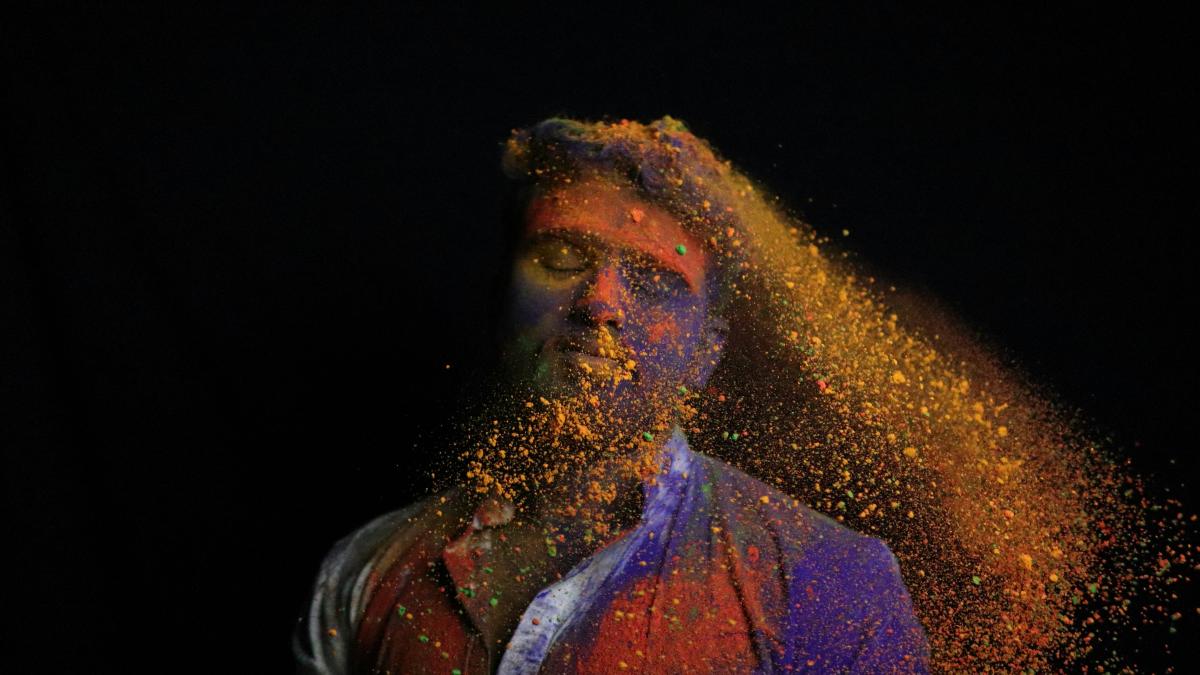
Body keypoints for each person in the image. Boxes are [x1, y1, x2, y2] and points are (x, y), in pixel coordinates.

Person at [294, 116, 930, 674]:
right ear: (497, 301)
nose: (600, 303)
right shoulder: (364, 571)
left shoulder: (828, 582)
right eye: (562, 257)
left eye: (655, 279)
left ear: (706, 352)